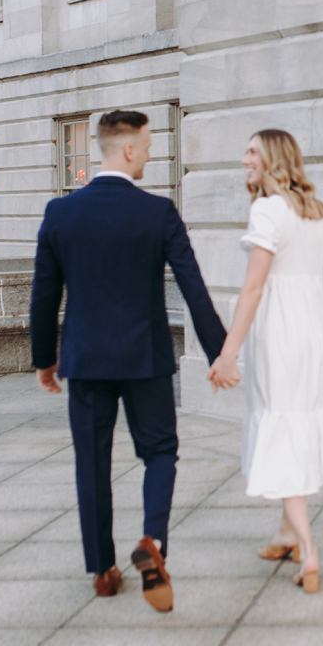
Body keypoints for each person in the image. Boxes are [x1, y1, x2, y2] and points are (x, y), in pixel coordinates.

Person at [29, 109, 227, 613]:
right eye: (149, 144)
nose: (152, 153)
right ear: (130, 150)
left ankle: (102, 570)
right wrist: (219, 350)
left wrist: (44, 360)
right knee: (160, 451)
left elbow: (44, 297)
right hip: (146, 358)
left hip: (87, 359)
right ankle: (153, 544)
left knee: (91, 465)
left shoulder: (61, 214)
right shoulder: (157, 213)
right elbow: (193, 288)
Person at [207, 128, 323, 594]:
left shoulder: (268, 210)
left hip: (279, 333)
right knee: (297, 421)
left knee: (282, 429)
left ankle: (308, 547)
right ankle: (285, 534)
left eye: (252, 151)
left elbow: (254, 288)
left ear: (275, 159)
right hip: (314, 334)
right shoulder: (318, 215)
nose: (244, 159)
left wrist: (228, 352)